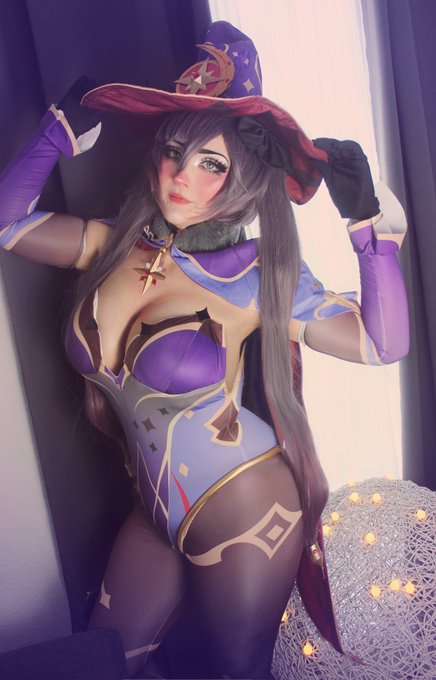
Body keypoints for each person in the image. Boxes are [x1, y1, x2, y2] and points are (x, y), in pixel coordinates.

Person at [0, 21, 408, 680]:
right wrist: (59, 129)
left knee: (235, 670)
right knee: (104, 660)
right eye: (173, 151)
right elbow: (8, 223)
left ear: (244, 174)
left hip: (246, 506)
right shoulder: (114, 243)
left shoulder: (259, 274)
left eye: (211, 163)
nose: (179, 177)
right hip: (154, 509)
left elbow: (379, 344)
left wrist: (369, 230)